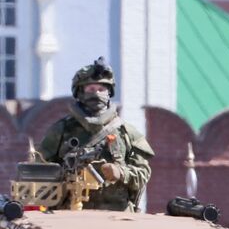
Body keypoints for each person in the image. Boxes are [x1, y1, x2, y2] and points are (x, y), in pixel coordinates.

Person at [37, 58, 153, 211]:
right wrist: (67, 173)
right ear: (80, 93)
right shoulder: (61, 130)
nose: (97, 94)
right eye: (91, 89)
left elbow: (143, 174)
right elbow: (39, 171)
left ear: (109, 93)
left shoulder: (126, 132)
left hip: (118, 216)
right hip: (70, 215)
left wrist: (120, 172)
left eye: (101, 89)